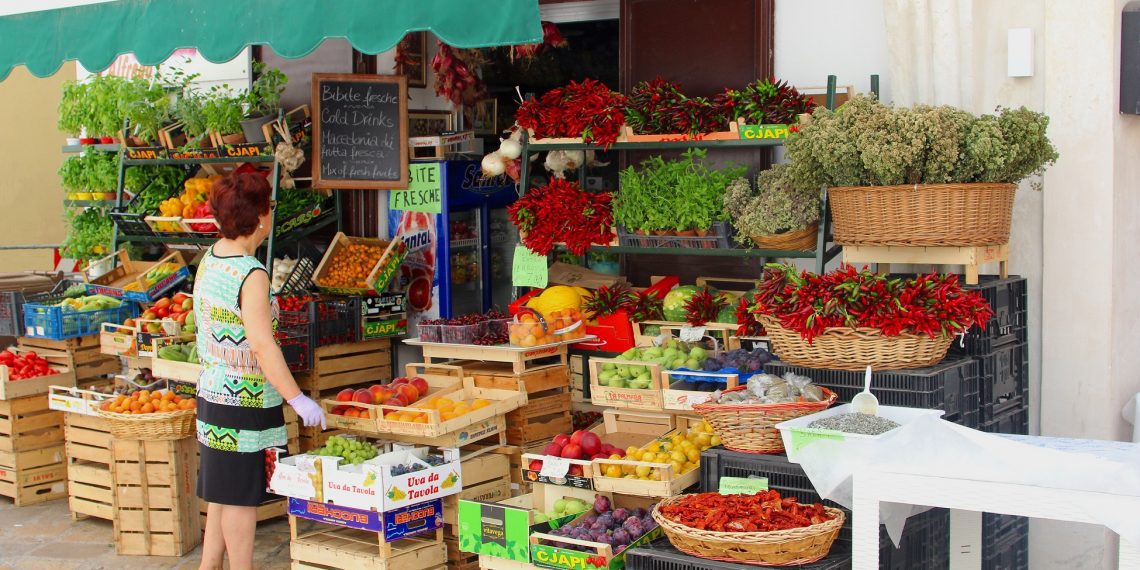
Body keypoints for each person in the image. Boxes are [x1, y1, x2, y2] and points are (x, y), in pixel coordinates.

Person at [193, 172, 325, 570]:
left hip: (212, 394)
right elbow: (262, 344)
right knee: (241, 498)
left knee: (224, 488)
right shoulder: (252, 274)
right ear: (261, 217)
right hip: (242, 401)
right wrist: (297, 398)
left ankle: (208, 565)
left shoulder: (211, 258)